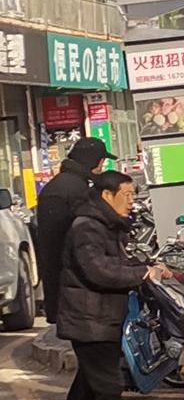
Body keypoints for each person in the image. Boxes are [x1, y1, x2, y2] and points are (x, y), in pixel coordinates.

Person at [57, 170, 162, 400]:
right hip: (89, 318)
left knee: (92, 383)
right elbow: (98, 270)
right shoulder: (87, 228)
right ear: (107, 195)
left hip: (99, 316)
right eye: (126, 195)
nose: (131, 202)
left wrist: (145, 266)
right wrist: (141, 273)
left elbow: (115, 263)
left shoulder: (105, 225)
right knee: (108, 383)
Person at [33, 135, 105, 326]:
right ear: (95, 161)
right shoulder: (78, 190)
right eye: (102, 161)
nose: (102, 166)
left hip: (58, 286)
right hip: (75, 290)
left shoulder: (56, 186)